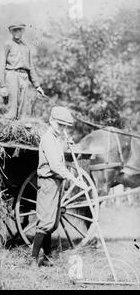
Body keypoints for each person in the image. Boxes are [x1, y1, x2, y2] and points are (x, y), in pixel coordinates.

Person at [30, 106, 89, 267]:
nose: (62, 128)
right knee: (45, 222)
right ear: (51, 121)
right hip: (48, 182)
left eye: (64, 126)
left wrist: (66, 143)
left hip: (56, 183)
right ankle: (33, 259)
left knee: (52, 222)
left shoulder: (55, 138)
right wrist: (74, 179)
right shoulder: (48, 139)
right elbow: (55, 165)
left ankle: (47, 258)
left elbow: (58, 155)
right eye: (59, 125)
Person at [0, 23, 45, 120]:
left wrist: (37, 86)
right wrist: (2, 86)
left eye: (19, 30)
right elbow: (1, 65)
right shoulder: (8, 44)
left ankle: (21, 128)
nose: (17, 32)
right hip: (12, 75)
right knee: (12, 109)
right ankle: (5, 130)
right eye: (14, 30)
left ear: (23, 31)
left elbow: (31, 66)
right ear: (11, 32)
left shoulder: (26, 47)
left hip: (24, 77)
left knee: (23, 110)